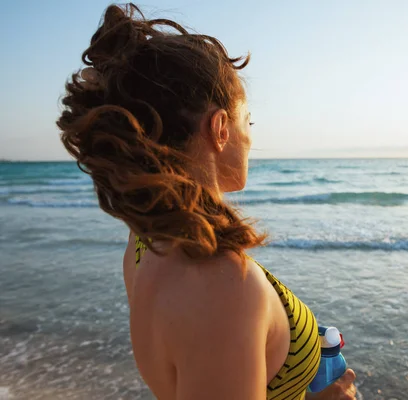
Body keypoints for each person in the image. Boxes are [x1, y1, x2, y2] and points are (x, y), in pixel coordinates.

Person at [57, 3, 357, 400]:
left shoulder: (144, 246)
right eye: (246, 122)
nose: (250, 137)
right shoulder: (224, 291)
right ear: (219, 128)